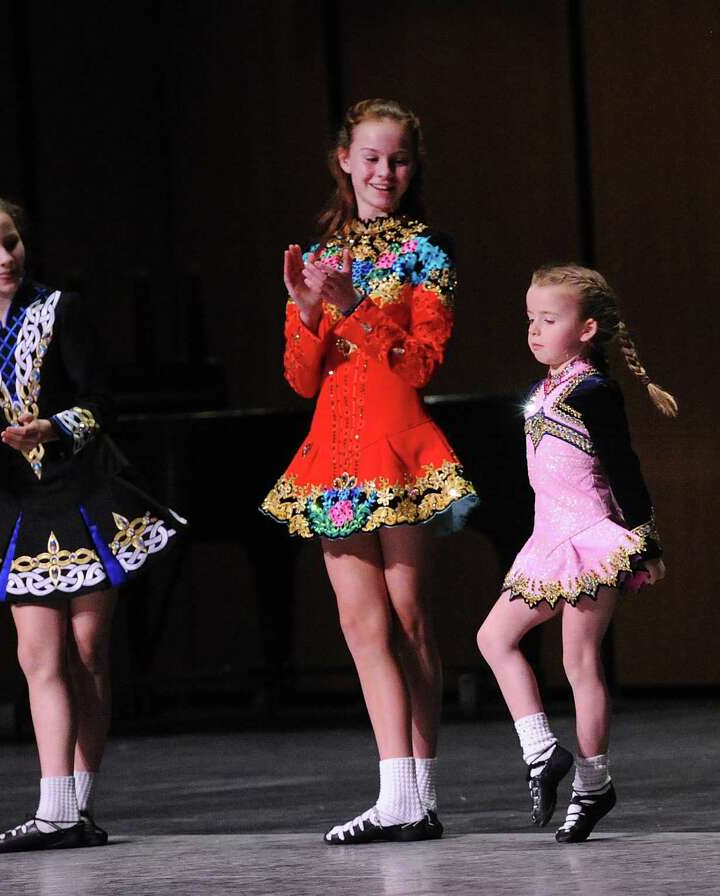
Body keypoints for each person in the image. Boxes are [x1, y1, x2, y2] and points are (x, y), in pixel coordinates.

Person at [0, 192, 185, 854]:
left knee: (87, 650)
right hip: (24, 504)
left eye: (12, 243)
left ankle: (78, 802)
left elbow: (101, 401)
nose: (5, 258)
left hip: (87, 494)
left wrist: (53, 426)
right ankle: (55, 811)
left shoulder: (61, 311)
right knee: (38, 654)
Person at [260, 99, 478, 844]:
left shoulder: (428, 249)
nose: (385, 172)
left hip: (396, 443)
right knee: (360, 624)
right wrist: (306, 309)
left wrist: (351, 308)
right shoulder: (321, 251)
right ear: (344, 160)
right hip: (334, 454)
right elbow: (299, 378)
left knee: (409, 619)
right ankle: (396, 796)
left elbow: (419, 362)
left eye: (399, 160)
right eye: (373, 158)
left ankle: (418, 792)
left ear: (413, 169)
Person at [476, 264, 674, 843]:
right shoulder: (547, 388)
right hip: (547, 540)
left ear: (586, 329)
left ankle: (592, 786)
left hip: (590, 541)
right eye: (530, 319)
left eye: (550, 319)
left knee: (578, 662)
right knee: (494, 638)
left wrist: (647, 541)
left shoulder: (593, 390)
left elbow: (623, 470)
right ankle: (542, 752)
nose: (535, 330)